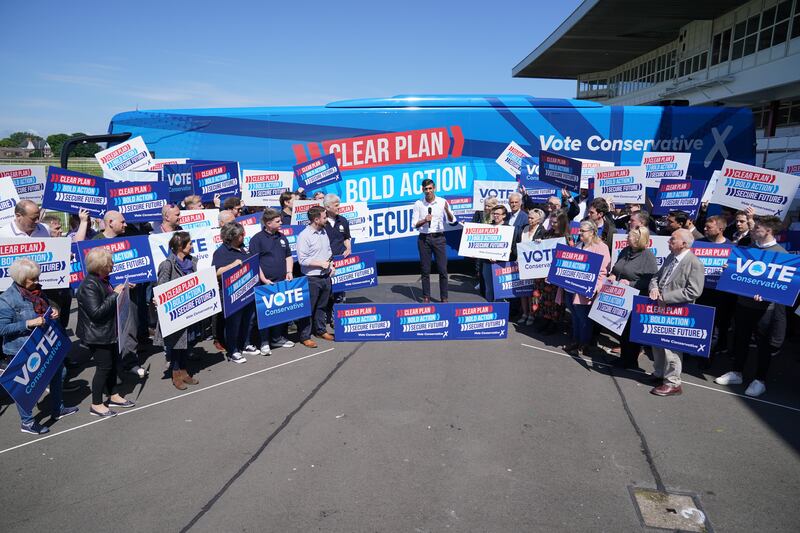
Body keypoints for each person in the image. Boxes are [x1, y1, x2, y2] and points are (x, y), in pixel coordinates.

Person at [0, 259, 78, 434]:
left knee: (58, 373)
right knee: (25, 388)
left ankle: (58, 409)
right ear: (20, 279)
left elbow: (46, 309)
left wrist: (54, 311)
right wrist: (29, 323)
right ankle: (27, 422)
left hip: (45, 343)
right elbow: (2, 329)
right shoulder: (6, 299)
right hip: (22, 349)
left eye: (37, 277)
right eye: (32, 279)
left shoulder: (37, 292)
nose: (37, 281)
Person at [714, 216, 788, 397]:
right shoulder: (748, 249)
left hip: (765, 309)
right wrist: (728, 270)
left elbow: (784, 286)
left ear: (769, 231)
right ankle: (736, 372)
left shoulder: (781, 254)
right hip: (743, 303)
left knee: (763, 345)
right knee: (740, 339)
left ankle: (759, 380)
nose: (753, 230)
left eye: (757, 228)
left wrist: (767, 294)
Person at [76, 247, 135, 417]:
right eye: (109, 263)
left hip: (108, 332)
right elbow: (96, 313)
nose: (113, 265)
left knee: (113, 365)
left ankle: (114, 394)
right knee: (103, 368)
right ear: (100, 266)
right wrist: (114, 295)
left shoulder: (102, 280)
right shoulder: (89, 285)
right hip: (97, 335)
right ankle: (96, 404)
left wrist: (120, 290)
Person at [647, 228, 705, 397]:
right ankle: (659, 374)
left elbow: (694, 291)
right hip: (660, 307)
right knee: (656, 342)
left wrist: (665, 297)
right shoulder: (671, 257)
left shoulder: (694, 263)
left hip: (677, 311)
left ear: (684, 244)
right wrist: (654, 288)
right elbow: (656, 277)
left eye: (673, 240)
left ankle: (673, 382)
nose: (668, 242)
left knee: (670, 348)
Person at [154, 232, 201, 390]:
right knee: (175, 345)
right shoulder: (167, 265)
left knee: (185, 344)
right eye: (189, 244)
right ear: (180, 247)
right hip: (174, 313)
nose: (192, 246)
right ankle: (176, 374)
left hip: (189, 310)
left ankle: (184, 370)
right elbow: (161, 287)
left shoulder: (192, 262)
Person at [607, 226, 659, 369]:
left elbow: (651, 279)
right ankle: (624, 358)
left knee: (630, 331)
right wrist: (612, 275)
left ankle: (631, 361)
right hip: (621, 296)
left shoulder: (648, 256)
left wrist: (631, 283)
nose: (626, 238)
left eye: (629, 236)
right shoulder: (626, 251)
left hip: (636, 297)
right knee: (622, 330)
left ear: (637, 239)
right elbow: (617, 268)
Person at [249, 208, 295, 355]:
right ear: (268, 223)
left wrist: (289, 272)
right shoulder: (257, 239)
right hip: (265, 283)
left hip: (282, 280)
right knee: (265, 314)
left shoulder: (282, 237)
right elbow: (255, 262)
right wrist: (263, 279)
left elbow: (288, 256)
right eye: (278, 221)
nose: (281, 223)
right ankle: (264, 342)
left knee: (280, 311)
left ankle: (277, 338)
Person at [212, 222, 259, 363]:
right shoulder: (221, 252)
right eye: (241, 235)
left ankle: (245, 344)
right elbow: (216, 272)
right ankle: (232, 351)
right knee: (234, 323)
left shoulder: (243, 248)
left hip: (248, 291)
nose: (244, 236)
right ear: (232, 236)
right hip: (232, 295)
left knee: (249, 320)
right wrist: (232, 266)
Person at [563, 220, 610, 356]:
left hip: (585, 289)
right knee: (575, 316)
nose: (579, 233)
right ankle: (575, 340)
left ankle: (584, 343)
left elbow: (603, 271)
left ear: (592, 232)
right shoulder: (579, 245)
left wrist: (596, 287)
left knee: (584, 318)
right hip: (570, 288)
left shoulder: (601, 247)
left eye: (582, 231)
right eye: (580, 230)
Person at [296, 206, 336, 348]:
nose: (326, 219)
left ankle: (320, 330)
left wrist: (331, 265)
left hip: (325, 276)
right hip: (311, 278)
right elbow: (302, 260)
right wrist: (321, 264)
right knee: (308, 308)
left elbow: (329, 251)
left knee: (322, 306)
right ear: (316, 219)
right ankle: (305, 336)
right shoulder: (304, 236)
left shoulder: (324, 232)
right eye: (324, 217)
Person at [696, 215, 734, 361]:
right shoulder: (699, 244)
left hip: (720, 294)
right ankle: (691, 349)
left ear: (721, 229)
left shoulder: (732, 248)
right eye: (705, 226)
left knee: (715, 327)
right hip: (700, 290)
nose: (704, 229)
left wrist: (729, 269)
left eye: (709, 227)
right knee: (698, 321)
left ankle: (707, 356)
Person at [412, 178, 456, 303]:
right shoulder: (418, 204)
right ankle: (426, 297)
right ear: (422, 190)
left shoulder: (442, 202)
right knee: (425, 270)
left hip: (439, 238)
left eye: (430, 188)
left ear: (434, 188)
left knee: (442, 270)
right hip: (424, 239)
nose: (428, 191)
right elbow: (414, 224)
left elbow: (452, 220)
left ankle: (444, 297)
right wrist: (425, 220)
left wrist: (447, 211)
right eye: (426, 189)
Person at [531, 209, 571, 335]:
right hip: (543, 273)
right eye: (552, 222)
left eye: (555, 222)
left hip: (555, 275)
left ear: (562, 222)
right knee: (542, 299)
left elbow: (568, 258)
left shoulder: (566, 238)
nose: (553, 224)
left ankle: (553, 324)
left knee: (554, 301)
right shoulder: (547, 234)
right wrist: (537, 243)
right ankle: (545, 321)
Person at [323, 194, 351, 324]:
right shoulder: (322, 221)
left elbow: (346, 237)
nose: (339, 207)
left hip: (340, 261)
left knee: (340, 292)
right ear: (327, 207)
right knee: (326, 292)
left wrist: (348, 248)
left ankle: (337, 319)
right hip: (325, 263)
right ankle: (324, 319)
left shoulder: (343, 221)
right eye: (336, 205)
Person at [516, 208, 545, 326]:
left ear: (539, 220)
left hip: (534, 266)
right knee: (524, 291)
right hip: (522, 264)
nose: (529, 219)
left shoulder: (542, 231)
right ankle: (525, 313)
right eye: (529, 217)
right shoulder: (525, 228)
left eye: (532, 218)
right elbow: (519, 245)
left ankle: (533, 314)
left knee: (533, 292)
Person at [480, 205, 510, 302]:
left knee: (500, 290)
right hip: (487, 263)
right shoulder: (487, 227)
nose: (495, 216)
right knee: (489, 289)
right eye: (494, 214)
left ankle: (500, 312)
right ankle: (490, 310)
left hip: (501, 264)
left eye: (498, 214)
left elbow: (511, 247)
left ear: (504, 215)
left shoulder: (509, 228)